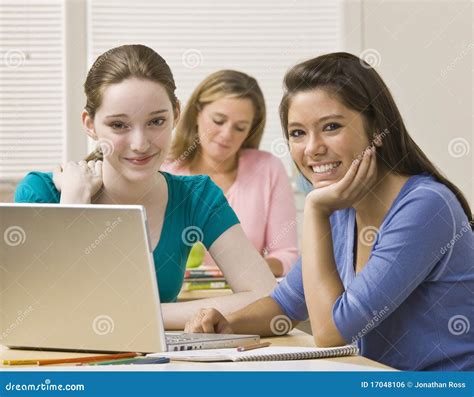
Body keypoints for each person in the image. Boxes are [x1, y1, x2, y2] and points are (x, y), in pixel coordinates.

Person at [183, 52, 474, 371]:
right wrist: (226, 324)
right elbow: (284, 305)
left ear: (376, 127)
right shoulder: (341, 207)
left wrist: (315, 208)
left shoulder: (425, 205)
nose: (312, 148)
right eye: (298, 133)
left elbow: (330, 333)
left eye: (331, 126)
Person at [14, 44, 276, 330]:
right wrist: (74, 204)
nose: (140, 144)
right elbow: (31, 315)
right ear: (89, 124)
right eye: (119, 125)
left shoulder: (196, 196)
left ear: (176, 113)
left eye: (156, 121)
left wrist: (145, 313)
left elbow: (269, 300)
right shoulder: (43, 194)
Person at [162, 70, 298, 276]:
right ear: (197, 113)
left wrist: (247, 270)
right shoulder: (164, 169)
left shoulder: (268, 169)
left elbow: (287, 256)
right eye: (218, 121)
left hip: (244, 300)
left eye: (240, 127)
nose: (227, 135)